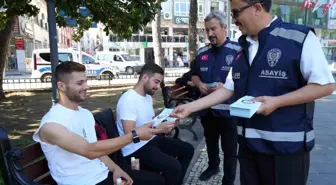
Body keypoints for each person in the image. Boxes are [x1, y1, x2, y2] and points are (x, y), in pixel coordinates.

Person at [170, 0, 335, 184]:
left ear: (257, 8)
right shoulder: (243, 49)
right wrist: (190, 107)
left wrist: (277, 102)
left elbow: (325, 85)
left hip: (285, 152)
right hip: (248, 150)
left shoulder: (299, 38)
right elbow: (228, 89)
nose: (233, 20)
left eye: (235, 13)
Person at [32, 61, 158, 185]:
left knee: (158, 180)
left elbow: (97, 149)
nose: (86, 86)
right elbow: (89, 151)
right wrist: (134, 135)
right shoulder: (50, 125)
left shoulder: (85, 113)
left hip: (102, 175)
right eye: (80, 83)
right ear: (61, 86)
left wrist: (115, 169)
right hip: (82, 182)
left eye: (86, 81)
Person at [116, 63, 195, 185]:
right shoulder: (128, 99)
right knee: (174, 167)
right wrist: (159, 130)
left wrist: (169, 123)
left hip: (150, 140)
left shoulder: (147, 97)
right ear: (145, 77)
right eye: (156, 82)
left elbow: (151, 123)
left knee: (188, 149)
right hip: (134, 149)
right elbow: (130, 134)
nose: (158, 86)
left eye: (159, 83)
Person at [191, 11, 240, 185]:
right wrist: (199, 85)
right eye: (207, 30)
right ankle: (213, 167)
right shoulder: (202, 52)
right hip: (207, 111)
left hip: (228, 112)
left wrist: (228, 87)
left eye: (214, 29)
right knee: (210, 143)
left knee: (229, 149)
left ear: (224, 28)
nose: (210, 33)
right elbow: (194, 74)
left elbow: (243, 79)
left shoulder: (237, 50)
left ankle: (228, 180)